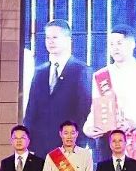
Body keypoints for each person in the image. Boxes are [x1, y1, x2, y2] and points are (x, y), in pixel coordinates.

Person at [83, 25, 136, 163]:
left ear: (132, 44)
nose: (115, 48)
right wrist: (88, 128)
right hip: (107, 141)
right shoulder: (101, 76)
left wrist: (133, 122)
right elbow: (96, 109)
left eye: (119, 43)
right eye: (111, 44)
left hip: (135, 141)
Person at [24, 19, 93, 156]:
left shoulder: (81, 70)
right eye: (47, 38)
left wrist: (79, 143)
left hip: (69, 146)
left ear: (68, 40)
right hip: (40, 147)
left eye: (55, 37)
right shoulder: (40, 72)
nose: (50, 42)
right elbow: (32, 109)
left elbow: (83, 110)